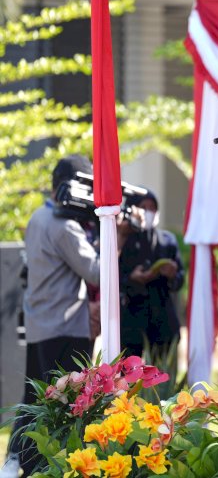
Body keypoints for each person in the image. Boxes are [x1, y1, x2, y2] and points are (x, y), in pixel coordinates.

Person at [1, 155, 101, 478]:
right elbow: (97, 273)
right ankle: (51, 465)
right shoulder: (65, 226)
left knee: (33, 398)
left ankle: (16, 459)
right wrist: (119, 236)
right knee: (63, 403)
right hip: (65, 328)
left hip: (39, 324)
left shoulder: (37, 217)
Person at [117, 189, 184, 361]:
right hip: (132, 325)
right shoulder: (122, 240)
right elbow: (111, 276)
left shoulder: (167, 240)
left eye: (152, 207)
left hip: (163, 324)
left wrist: (171, 274)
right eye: (143, 207)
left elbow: (179, 280)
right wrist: (132, 278)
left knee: (161, 376)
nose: (148, 212)